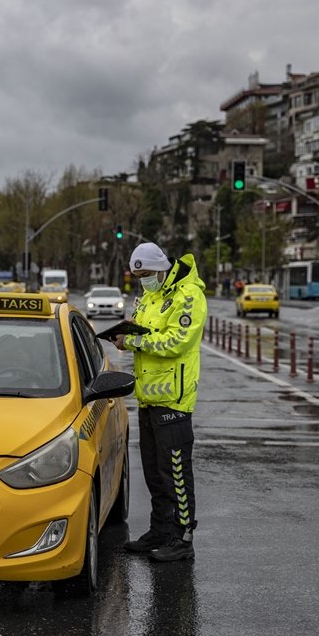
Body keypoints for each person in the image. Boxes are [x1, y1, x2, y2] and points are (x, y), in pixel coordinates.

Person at [111, 241, 207, 562]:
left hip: (174, 400)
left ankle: (183, 537)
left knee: (176, 473)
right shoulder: (151, 296)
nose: (144, 281)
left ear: (162, 269)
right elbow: (143, 328)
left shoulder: (189, 296)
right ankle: (161, 529)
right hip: (149, 398)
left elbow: (177, 341)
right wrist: (125, 334)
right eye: (139, 276)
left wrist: (134, 340)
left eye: (148, 274)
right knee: (154, 471)